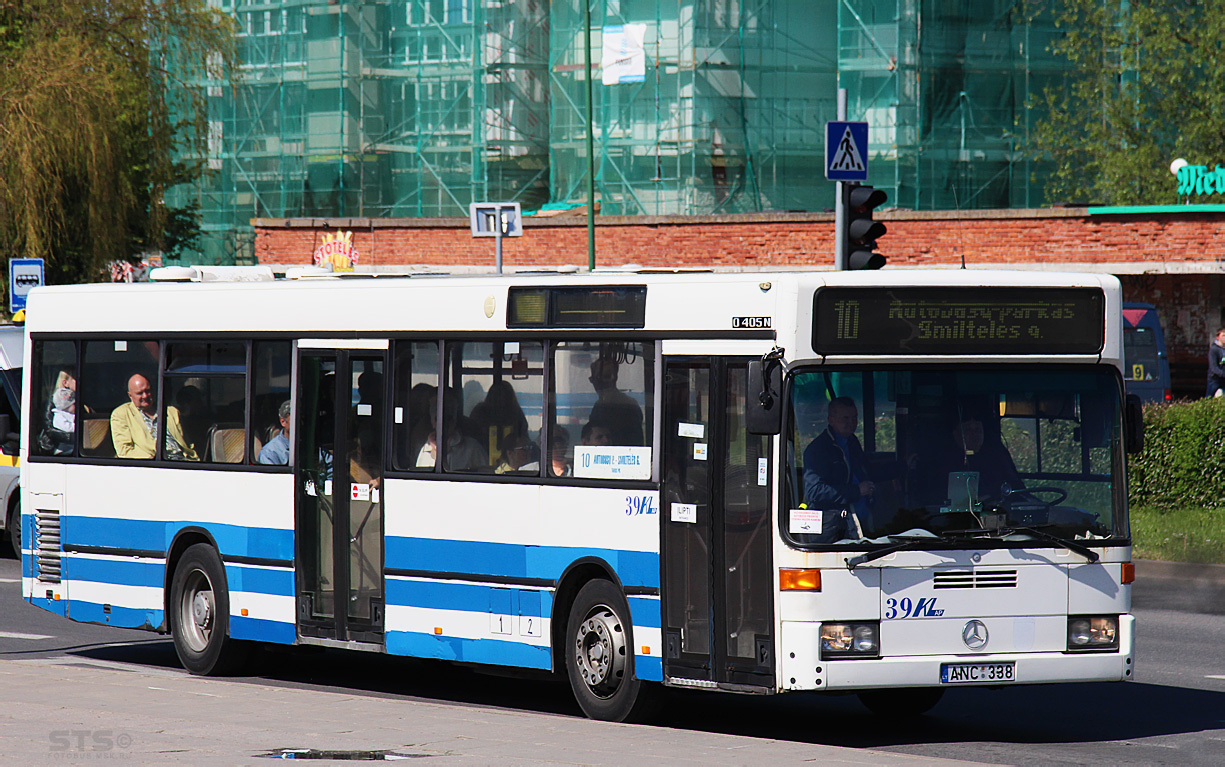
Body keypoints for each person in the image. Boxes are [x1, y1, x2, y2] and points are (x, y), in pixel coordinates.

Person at [801, 397, 874, 542]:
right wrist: (856, 490)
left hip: (856, 521)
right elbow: (814, 491)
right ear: (831, 420)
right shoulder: (818, 449)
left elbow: (867, 470)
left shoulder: (852, 442)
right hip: (830, 528)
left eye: (854, 418)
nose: (851, 423)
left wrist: (903, 466)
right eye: (845, 418)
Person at [934, 412, 1024, 504]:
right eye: (968, 430)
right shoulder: (944, 462)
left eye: (978, 430)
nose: (974, 435)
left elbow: (1017, 489)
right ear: (956, 434)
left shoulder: (997, 457)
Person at [111, 373, 197, 461]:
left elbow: (187, 444)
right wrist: (150, 460)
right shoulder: (121, 414)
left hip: (182, 461)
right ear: (130, 396)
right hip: (153, 465)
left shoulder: (171, 411)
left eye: (147, 391)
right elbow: (124, 450)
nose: (145, 396)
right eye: (140, 393)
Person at [415, 390, 486, 472]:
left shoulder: (472, 448)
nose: (443, 423)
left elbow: (486, 476)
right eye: (437, 418)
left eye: (448, 417)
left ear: (455, 419)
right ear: (432, 421)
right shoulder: (425, 449)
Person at [587, 357, 644, 446]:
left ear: (614, 378)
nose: (599, 382)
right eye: (596, 378)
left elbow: (635, 441)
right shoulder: (598, 405)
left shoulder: (627, 405)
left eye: (606, 377)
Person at [39, 386, 76, 456]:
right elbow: (67, 428)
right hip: (64, 448)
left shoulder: (69, 413)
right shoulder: (58, 417)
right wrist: (78, 426)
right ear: (66, 406)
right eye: (73, 404)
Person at [258, 400, 292, 465]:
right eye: (295, 419)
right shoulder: (269, 453)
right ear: (283, 422)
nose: (301, 423)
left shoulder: (308, 448)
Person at [1207, 328, 1225, 398]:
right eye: (1223, 335)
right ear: (1218, 337)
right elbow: (1213, 367)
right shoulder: (1214, 349)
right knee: (1209, 398)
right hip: (1215, 379)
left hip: (1223, 379)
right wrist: (1222, 373)